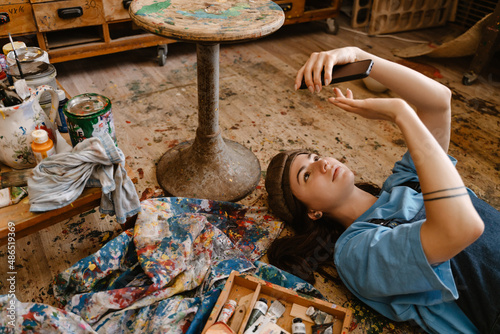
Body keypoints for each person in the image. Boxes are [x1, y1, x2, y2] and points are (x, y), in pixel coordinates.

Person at [264, 46, 500, 334]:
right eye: (307, 175)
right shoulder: (355, 253)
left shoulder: (403, 182)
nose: (323, 163)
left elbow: (438, 102)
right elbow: (461, 229)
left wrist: (359, 56)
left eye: (315, 157)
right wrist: (400, 113)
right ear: (313, 212)